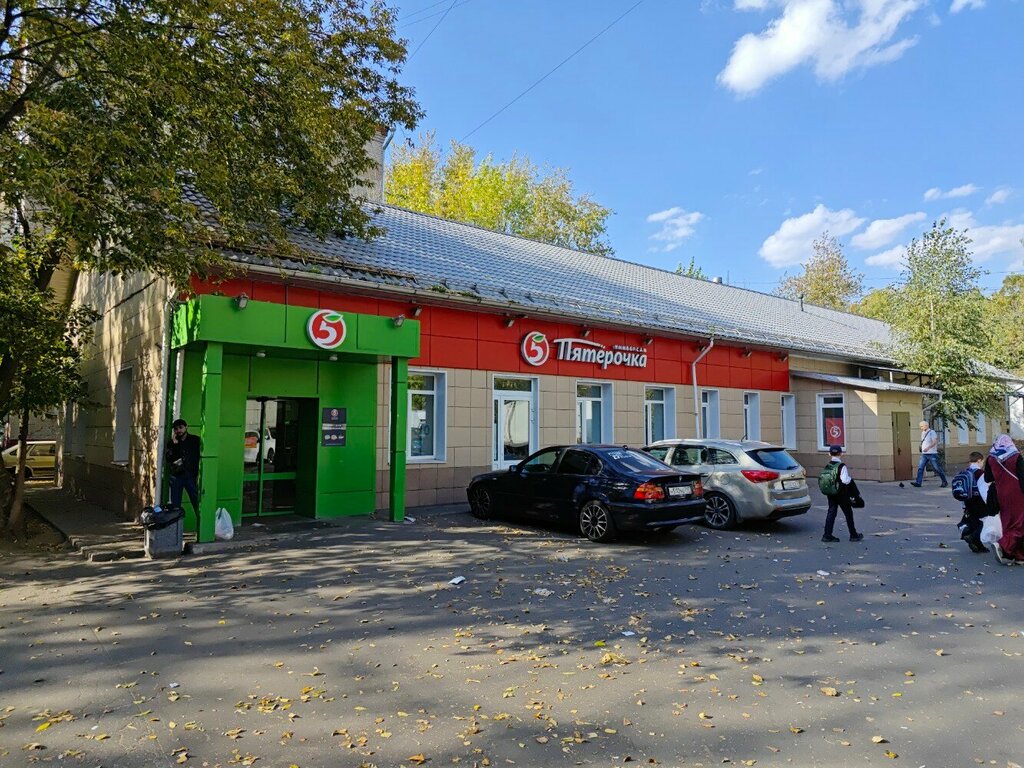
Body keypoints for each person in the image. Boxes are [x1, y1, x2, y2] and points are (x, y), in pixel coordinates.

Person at [984, 434, 1024, 565]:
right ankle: (1002, 544)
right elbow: (1022, 477)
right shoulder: (1016, 457)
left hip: (1001, 494)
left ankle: (1016, 555)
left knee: (1007, 523)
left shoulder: (991, 458)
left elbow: (987, 478)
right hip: (1017, 493)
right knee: (1020, 524)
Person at [821, 444, 864, 543]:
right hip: (841, 493)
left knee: (831, 512)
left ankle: (827, 535)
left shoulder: (828, 466)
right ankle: (853, 535)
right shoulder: (841, 466)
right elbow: (845, 480)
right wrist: (850, 480)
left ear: (829, 454)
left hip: (831, 492)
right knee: (848, 513)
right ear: (841, 454)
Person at [165, 418, 201, 524]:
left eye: (181, 427)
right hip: (177, 476)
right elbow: (169, 458)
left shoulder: (195, 440)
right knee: (175, 504)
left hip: (190, 475)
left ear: (186, 427)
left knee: (196, 501)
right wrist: (175, 444)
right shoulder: (172, 443)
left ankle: (202, 525)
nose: (179, 430)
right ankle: (176, 527)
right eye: (176, 429)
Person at [957, 451, 988, 553]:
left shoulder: (965, 472)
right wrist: (989, 503)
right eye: (982, 462)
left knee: (974, 522)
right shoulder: (981, 474)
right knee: (985, 521)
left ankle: (978, 546)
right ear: (979, 460)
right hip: (979, 501)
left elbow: (962, 489)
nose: (982, 464)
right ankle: (972, 536)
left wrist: (963, 505)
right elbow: (984, 490)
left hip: (967, 501)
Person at [911, 420, 948, 488]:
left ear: (926, 426)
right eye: (920, 426)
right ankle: (918, 482)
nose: (921, 428)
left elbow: (934, 442)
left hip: (932, 453)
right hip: (924, 454)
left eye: (922, 426)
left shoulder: (932, 432)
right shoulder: (923, 433)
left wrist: (928, 448)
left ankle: (944, 481)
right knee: (920, 468)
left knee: (937, 468)